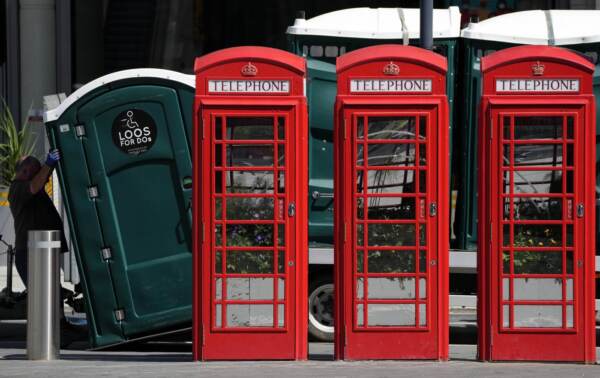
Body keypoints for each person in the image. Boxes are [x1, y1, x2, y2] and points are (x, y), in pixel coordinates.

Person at [8, 149, 85, 347]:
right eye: (36, 172)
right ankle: (47, 336)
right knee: (43, 294)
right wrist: (49, 163)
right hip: (30, 252)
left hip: (43, 248)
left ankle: (61, 326)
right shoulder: (18, 187)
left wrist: (49, 167)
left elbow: (39, 181)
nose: (41, 177)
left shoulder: (30, 183)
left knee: (53, 292)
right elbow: (34, 186)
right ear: (25, 172)